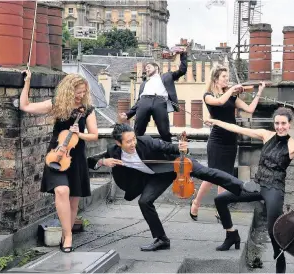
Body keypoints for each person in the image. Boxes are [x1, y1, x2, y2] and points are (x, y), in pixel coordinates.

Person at [205, 107, 294, 273]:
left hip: (275, 189)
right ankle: (231, 235)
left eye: (283, 123)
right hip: (258, 184)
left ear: (289, 125)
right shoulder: (266, 135)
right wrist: (215, 121)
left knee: (274, 229)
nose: (280, 127)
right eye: (277, 123)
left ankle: (280, 259)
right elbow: (238, 128)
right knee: (220, 200)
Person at [87, 123, 261, 252]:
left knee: (208, 173)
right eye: (128, 141)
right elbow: (91, 161)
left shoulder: (145, 142)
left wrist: (179, 147)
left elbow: (164, 146)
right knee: (144, 201)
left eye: (133, 139)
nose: (133, 143)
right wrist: (103, 161)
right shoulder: (113, 151)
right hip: (156, 176)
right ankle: (161, 239)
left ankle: (243, 185)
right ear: (118, 143)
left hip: (173, 164)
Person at [19, 70, 98, 253]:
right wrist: (27, 82)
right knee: (62, 191)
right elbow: (25, 106)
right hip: (56, 155)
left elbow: (94, 135)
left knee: (73, 201)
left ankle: (66, 235)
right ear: (68, 90)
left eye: (84, 92)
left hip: (76, 157)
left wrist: (80, 133)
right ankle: (68, 235)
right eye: (78, 92)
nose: (81, 95)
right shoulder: (57, 104)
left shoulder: (87, 110)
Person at [190, 64, 265, 222]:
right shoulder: (208, 96)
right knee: (211, 176)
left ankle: (220, 207)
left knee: (225, 176)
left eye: (227, 77)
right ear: (216, 79)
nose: (227, 79)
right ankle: (196, 203)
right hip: (217, 140)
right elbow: (219, 102)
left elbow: (249, 109)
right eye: (224, 77)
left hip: (231, 140)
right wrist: (232, 89)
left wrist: (259, 92)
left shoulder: (232, 97)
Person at [120, 48, 188, 142]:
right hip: (144, 102)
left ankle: (168, 152)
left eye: (149, 67)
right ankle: (136, 150)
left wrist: (183, 55)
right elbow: (138, 102)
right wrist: (128, 114)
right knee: (138, 129)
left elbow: (182, 70)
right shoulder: (144, 84)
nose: (146, 69)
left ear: (156, 68)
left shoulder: (167, 76)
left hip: (160, 102)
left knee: (164, 130)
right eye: (146, 68)